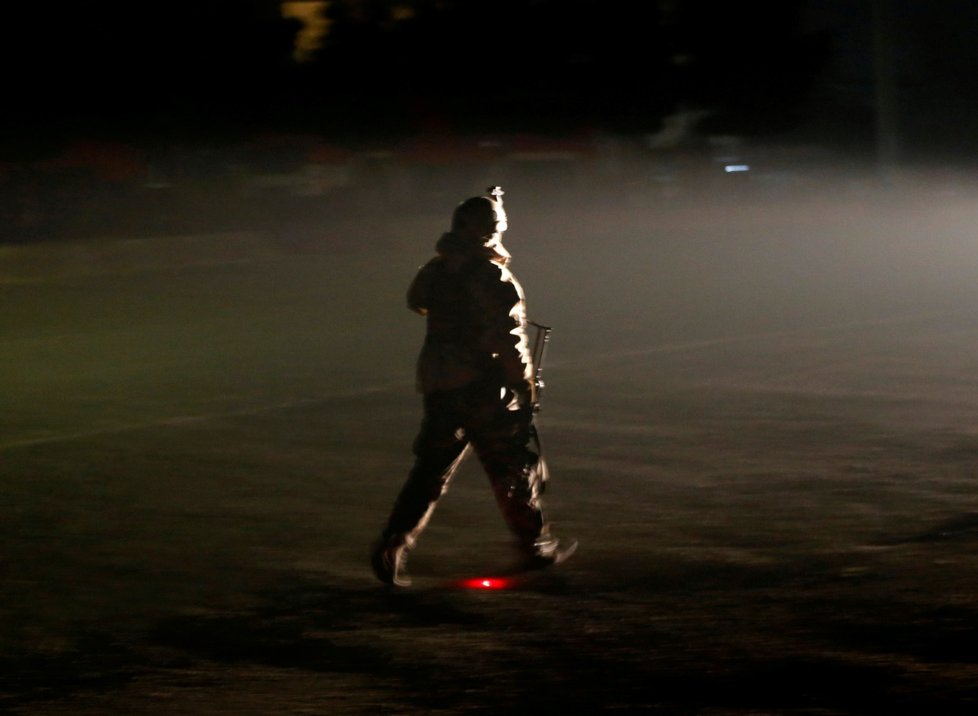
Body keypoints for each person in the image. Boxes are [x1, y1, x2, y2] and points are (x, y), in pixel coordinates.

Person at [370, 187, 575, 587]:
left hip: (440, 383)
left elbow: (417, 302)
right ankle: (534, 547)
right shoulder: (492, 275)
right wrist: (525, 383)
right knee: (510, 468)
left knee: (430, 472)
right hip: (484, 388)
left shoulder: (437, 268)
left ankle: (393, 545)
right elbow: (508, 338)